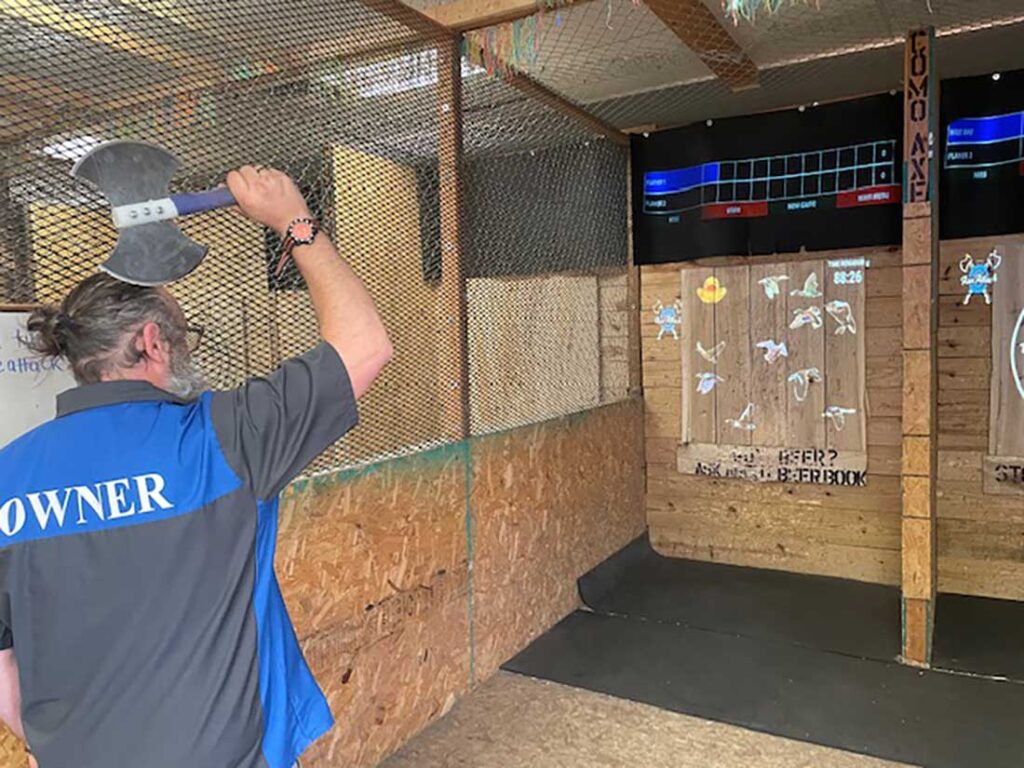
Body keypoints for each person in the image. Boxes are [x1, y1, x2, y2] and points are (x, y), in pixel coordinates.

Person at [0, 165, 393, 767]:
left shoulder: (8, 476)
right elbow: (365, 345)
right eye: (185, 335)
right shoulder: (219, 437)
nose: (188, 349)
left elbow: (3, 664)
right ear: (153, 343)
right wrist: (294, 221)